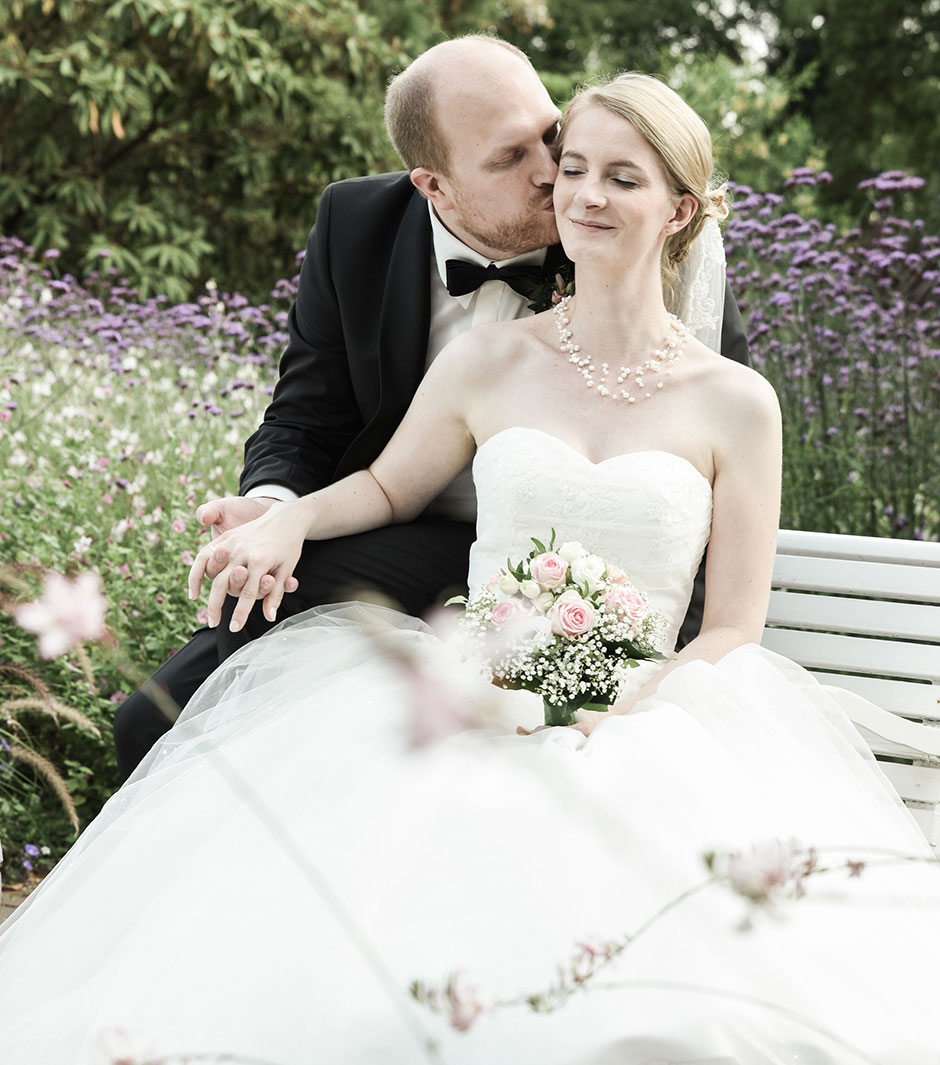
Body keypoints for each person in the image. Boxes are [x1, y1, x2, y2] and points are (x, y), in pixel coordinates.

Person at [2, 73, 938, 1065]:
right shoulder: (488, 356)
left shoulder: (737, 401)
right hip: (473, 682)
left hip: (650, 715)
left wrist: (628, 712)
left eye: (619, 177)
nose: (577, 193)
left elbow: (732, 624)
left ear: (679, 208)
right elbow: (390, 487)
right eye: (570, 167)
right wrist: (284, 518)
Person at [112, 34, 749, 779]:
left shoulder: (630, 233)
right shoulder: (358, 225)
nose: (557, 177)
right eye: (511, 159)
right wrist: (278, 509)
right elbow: (306, 413)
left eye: (551, 137)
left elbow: (699, 483)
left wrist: (659, 672)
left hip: (578, 574)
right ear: (435, 186)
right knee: (156, 717)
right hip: (399, 526)